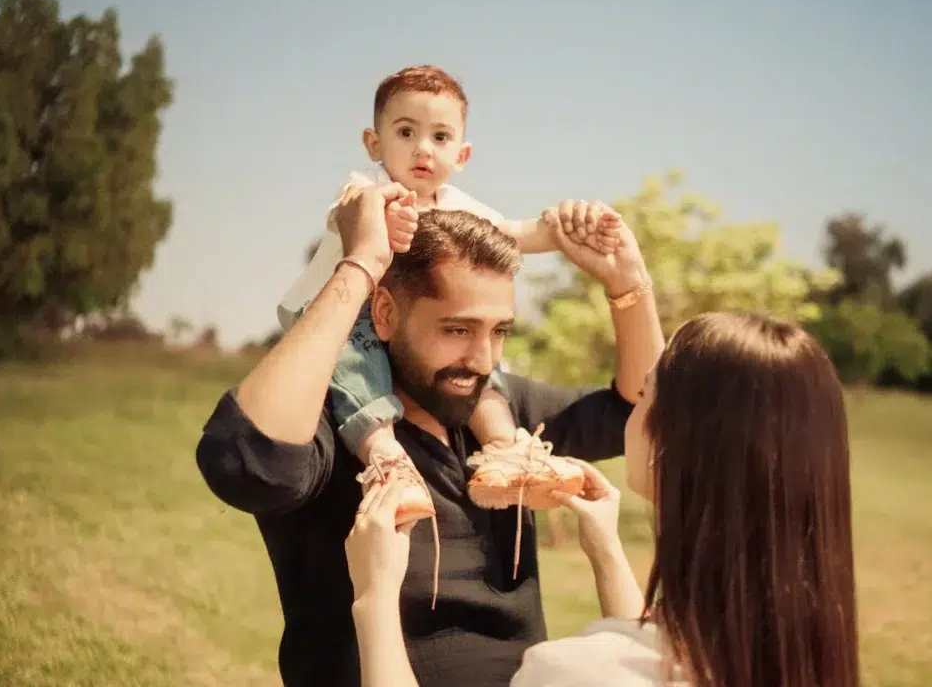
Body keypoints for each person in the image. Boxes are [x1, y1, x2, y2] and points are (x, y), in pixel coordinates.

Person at [195, 184, 664, 687]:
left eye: (499, 331)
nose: (483, 360)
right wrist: (361, 262)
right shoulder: (333, 424)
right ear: (385, 314)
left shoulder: (500, 409)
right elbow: (245, 462)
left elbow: (642, 413)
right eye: (458, 331)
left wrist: (628, 283)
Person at [346, 311, 861, 687]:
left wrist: (374, 596)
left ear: (670, 441)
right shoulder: (796, 659)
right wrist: (607, 552)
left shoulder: (573, 675)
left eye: (647, 394)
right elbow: (660, 653)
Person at [275, 65, 626, 525]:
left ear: (461, 154)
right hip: (348, 318)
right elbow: (352, 210)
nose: (423, 148)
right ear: (374, 143)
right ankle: (386, 462)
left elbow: (515, 232)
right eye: (406, 132)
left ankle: (504, 450)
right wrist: (380, 219)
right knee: (358, 373)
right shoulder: (368, 187)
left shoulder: (459, 206)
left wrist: (567, 227)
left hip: (423, 325)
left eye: (440, 137)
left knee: (479, 367)